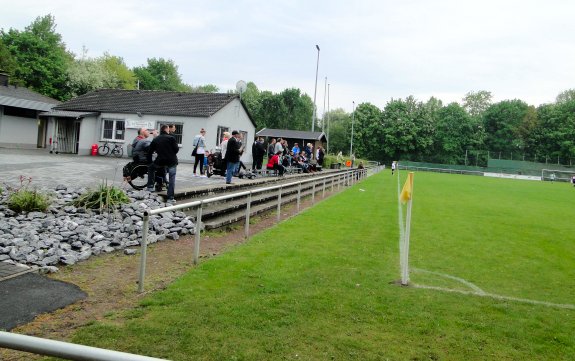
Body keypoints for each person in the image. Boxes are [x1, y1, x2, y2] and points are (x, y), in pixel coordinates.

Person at [148, 124, 179, 204]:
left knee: (151, 168)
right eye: (168, 129)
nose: (169, 131)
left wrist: (150, 162)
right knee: (172, 178)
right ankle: (170, 198)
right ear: (166, 129)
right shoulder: (171, 138)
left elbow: (150, 151)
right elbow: (176, 150)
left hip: (160, 160)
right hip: (172, 161)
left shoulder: (156, 139)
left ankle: (150, 187)